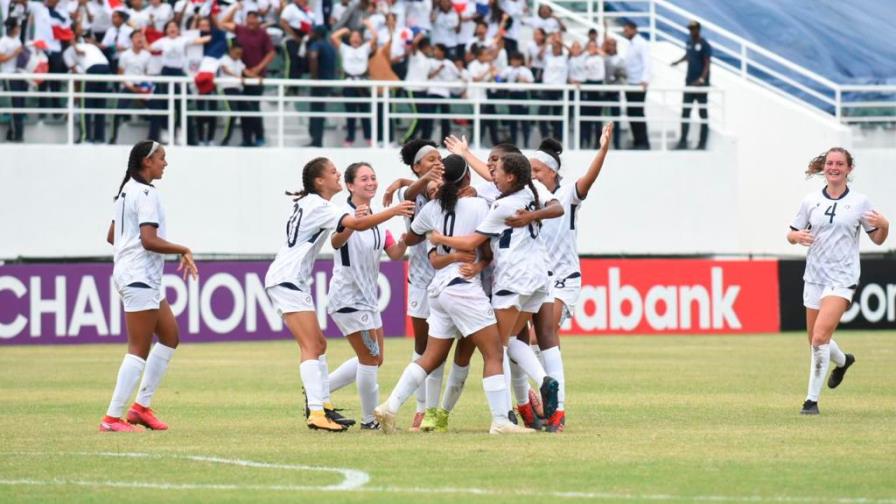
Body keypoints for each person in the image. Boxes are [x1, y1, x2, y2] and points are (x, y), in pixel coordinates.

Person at [374, 154, 534, 435]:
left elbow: (411, 238)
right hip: (463, 287)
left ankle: (390, 405)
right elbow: (491, 237)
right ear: (468, 179)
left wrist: (425, 233)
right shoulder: (479, 205)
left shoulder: (433, 208)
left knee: (430, 357)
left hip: (437, 290)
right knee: (494, 351)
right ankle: (500, 421)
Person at [264, 157, 414, 431]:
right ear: (321, 181)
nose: (337, 174)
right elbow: (345, 233)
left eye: (373, 177)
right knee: (317, 347)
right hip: (303, 284)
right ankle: (323, 411)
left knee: (323, 346)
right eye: (333, 172)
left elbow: (391, 250)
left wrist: (407, 228)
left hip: (294, 280)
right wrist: (393, 212)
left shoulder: (315, 205)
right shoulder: (324, 207)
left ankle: (322, 403)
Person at [429, 151, 563, 424]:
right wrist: (533, 216)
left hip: (512, 278)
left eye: (497, 171)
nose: (493, 176)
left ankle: (505, 417)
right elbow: (557, 208)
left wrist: (439, 237)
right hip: (538, 278)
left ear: (511, 176)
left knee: (496, 348)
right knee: (511, 339)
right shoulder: (530, 190)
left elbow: (470, 244)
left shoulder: (502, 207)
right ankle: (541, 383)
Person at [99, 140, 199, 432]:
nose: (165, 163)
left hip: (140, 276)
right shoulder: (144, 193)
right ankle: (111, 417)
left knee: (170, 336)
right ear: (147, 161)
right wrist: (184, 248)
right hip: (138, 277)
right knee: (138, 349)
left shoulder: (126, 191)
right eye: (161, 158)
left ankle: (140, 407)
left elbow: (111, 237)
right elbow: (148, 240)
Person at [522, 125, 613, 431]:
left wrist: (602, 150)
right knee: (533, 342)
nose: (531, 174)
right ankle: (546, 406)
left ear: (551, 171)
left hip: (564, 280)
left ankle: (551, 405)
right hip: (537, 280)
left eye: (536, 169)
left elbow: (590, 178)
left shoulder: (568, 194)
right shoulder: (531, 196)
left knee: (539, 336)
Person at [787, 148, 888, 415]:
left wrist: (885, 225)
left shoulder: (860, 202)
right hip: (815, 276)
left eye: (839, 164)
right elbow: (792, 233)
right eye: (830, 163)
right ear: (824, 167)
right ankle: (843, 361)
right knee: (815, 341)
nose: (834, 167)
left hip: (842, 277)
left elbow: (877, 239)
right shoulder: (810, 201)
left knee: (820, 337)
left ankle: (811, 401)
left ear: (848, 169)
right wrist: (796, 238)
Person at [325, 162, 408, 430]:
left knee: (376, 358)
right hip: (348, 299)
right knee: (369, 359)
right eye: (364, 179)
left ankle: (318, 393)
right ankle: (369, 420)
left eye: (373, 177)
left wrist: (412, 234)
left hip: (368, 301)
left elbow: (395, 253)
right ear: (350, 185)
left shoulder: (377, 222)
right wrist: (357, 223)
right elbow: (336, 242)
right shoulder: (343, 214)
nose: (371, 182)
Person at [380, 139, 444, 430]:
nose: (438, 163)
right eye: (431, 159)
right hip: (421, 279)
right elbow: (410, 191)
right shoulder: (413, 194)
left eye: (439, 158)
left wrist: (410, 179)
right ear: (417, 166)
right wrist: (410, 182)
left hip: (451, 278)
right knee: (423, 347)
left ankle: (430, 409)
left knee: (440, 347)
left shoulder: (448, 188)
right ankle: (421, 409)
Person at [149, 20, 210, 144]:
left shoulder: (183, 39)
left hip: (179, 73)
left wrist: (213, 34)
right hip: (166, 72)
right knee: (164, 103)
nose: (172, 28)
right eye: (169, 26)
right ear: (166, 30)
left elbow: (200, 40)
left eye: (174, 26)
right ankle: (165, 130)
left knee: (181, 103)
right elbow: (150, 48)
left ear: (178, 29)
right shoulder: (163, 41)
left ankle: (181, 131)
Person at [220, 8, 275, 146]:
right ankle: (247, 139)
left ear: (258, 20)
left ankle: (259, 137)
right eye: (248, 18)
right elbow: (223, 22)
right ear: (246, 20)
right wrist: (236, 5)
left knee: (254, 108)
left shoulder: (263, 34)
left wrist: (258, 69)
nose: (251, 21)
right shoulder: (240, 29)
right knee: (245, 109)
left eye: (254, 19)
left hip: (255, 77)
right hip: (241, 78)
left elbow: (271, 53)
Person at [62, 25, 112, 143]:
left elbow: (74, 68)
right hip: (106, 68)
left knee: (86, 107)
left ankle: (86, 138)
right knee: (100, 106)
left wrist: (73, 43)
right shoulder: (92, 46)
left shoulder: (73, 49)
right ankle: (100, 138)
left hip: (92, 70)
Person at [330, 23, 376, 146]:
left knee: (365, 112)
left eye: (357, 37)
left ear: (361, 39)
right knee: (350, 113)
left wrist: (368, 26)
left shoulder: (365, 48)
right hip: (349, 83)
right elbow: (333, 37)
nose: (355, 39)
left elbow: (375, 38)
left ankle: (369, 138)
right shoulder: (345, 49)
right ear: (349, 39)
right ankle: (350, 138)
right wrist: (344, 30)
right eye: (353, 37)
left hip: (363, 84)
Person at [109, 30, 155, 144]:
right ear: (131, 40)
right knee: (118, 112)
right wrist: (131, 87)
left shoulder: (147, 55)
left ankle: (153, 138)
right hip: (128, 86)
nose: (140, 39)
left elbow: (148, 73)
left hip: (142, 87)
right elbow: (120, 74)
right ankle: (113, 138)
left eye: (141, 36)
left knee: (157, 109)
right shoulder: (125, 55)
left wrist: (144, 88)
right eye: (137, 36)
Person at [671, 20, 711, 150]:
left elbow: (707, 63)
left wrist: (702, 79)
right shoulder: (689, 42)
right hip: (689, 82)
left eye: (693, 29)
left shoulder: (704, 44)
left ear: (698, 29)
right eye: (690, 29)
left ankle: (702, 143)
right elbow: (689, 55)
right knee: (685, 112)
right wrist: (677, 62)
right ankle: (683, 141)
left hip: (700, 85)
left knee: (702, 113)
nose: (691, 31)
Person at [305, 25, 336, 147]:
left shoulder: (317, 44)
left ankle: (316, 141)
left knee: (316, 111)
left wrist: (314, 78)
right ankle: (317, 140)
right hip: (328, 82)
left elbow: (313, 57)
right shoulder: (331, 47)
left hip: (319, 83)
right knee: (319, 111)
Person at [621, 21, 649, 149]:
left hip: (638, 84)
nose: (624, 32)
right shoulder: (630, 44)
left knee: (638, 113)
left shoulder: (641, 43)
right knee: (631, 112)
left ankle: (643, 142)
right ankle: (637, 141)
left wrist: (644, 80)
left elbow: (647, 63)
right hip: (630, 83)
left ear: (633, 30)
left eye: (626, 30)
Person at [498, 51, 533, 147]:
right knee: (513, 121)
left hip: (523, 95)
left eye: (517, 60)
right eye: (513, 60)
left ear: (521, 61)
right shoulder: (508, 70)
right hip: (512, 94)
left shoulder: (525, 70)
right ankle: (513, 144)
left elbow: (532, 83)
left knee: (525, 121)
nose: (515, 62)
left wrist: (524, 80)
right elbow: (499, 79)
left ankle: (526, 144)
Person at [218, 42, 249, 147]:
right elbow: (225, 70)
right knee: (233, 112)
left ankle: (247, 140)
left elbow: (246, 72)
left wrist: (257, 78)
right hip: (226, 89)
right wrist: (237, 77)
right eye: (237, 53)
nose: (238, 55)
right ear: (231, 50)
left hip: (237, 90)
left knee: (248, 111)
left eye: (240, 53)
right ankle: (225, 140)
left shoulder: (239, 61)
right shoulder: (224, 59)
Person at [539, 32, 567, 142]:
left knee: (558, 115)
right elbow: (540, 55)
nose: (555, 48)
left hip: (559, 90)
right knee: (542, 114)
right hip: (547, 89)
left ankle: (557, 139)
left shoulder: (565, 58)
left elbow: (573, 53)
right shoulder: (548, 57)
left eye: (557, 47)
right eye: (554, 47)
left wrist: (561, 42)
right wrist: (547, 42)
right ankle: (545, 138)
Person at [0, 18, 25, 142]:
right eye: (16, 27)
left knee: (20, 104)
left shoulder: (17, 39)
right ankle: (17, 134)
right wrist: (15, 53)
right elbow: (1, 59)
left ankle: (14, 132)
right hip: (9, 75)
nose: (18, 29)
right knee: (15, 105)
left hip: (19, 74)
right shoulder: (3, 41)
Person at [580, 39, 605, 149]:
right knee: (586, 119)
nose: (592, 48)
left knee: (597, 118)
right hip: (587, 85)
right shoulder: (585, 57)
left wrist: (597, 51)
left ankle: (597, 143)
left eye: (594, 46)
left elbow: (604, 56)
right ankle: (585, 142)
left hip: (597, 86)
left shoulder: (600, 57)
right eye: (590, 46)